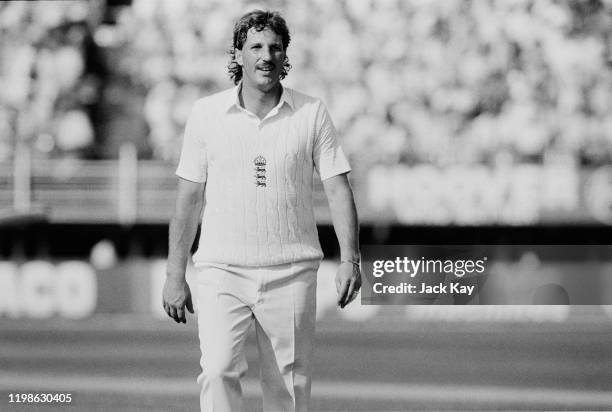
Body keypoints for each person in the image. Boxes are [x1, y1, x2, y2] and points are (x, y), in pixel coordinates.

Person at [163, 9, 361, 412]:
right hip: (221, 268)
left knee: (287, 387)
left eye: (275, 47)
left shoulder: (311, 112)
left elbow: (338, 190)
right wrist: (174, 273)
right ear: (237, 55)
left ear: (286, 54)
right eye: (255, 46)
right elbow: (188, 199)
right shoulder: (205, 114)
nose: (265, 56)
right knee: (217, 372)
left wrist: (350, 259)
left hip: (291, 269)